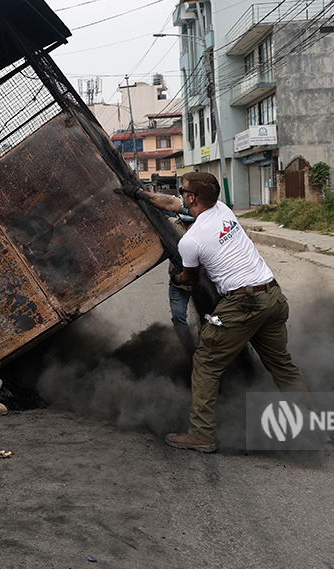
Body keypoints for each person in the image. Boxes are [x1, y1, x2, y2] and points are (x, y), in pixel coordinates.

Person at [155, 171, 310, 453]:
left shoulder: (191, 240)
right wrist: (143, 196)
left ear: (192, 198)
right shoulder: (223, 210)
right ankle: (312, 431)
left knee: (205, 363)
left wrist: (176, 278)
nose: (180, 195)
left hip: (243, 305)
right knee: (283, 367)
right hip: (272, 296)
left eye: (183, 191)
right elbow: (174, 206)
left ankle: (201, 434)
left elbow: (190, 279)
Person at [116, 182, 203, 357]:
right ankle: (190, 353)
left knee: (207, 316)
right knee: (178, 317)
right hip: (178, 279)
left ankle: (207, 351)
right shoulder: (170, 224)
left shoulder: (204, 225)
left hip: (201, 280)